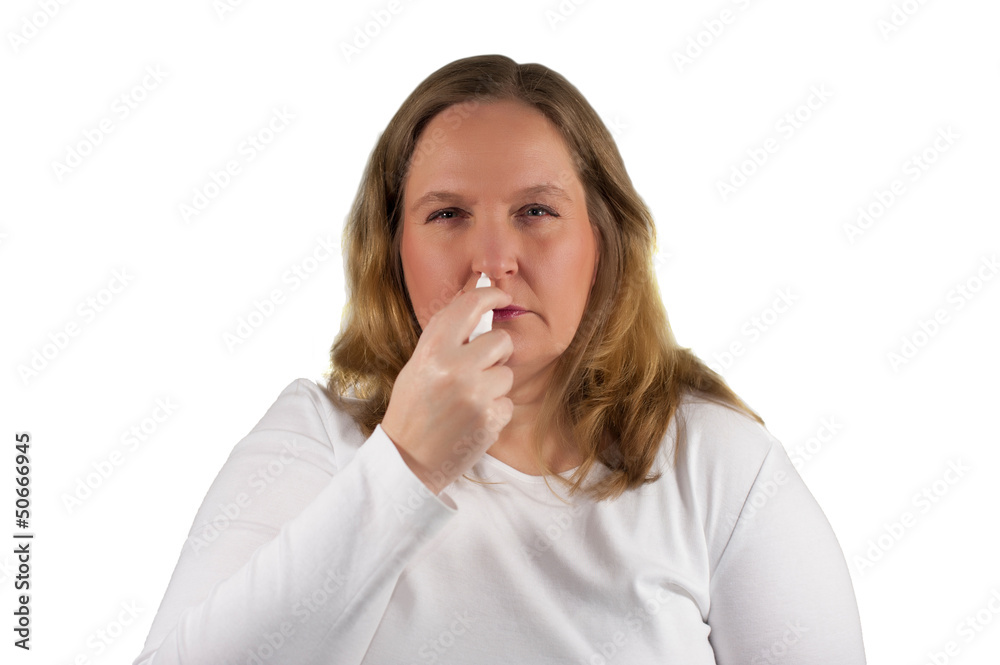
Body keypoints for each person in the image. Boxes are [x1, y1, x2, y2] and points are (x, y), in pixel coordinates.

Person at [132, 54, 867, 664]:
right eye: (447, 214)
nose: (491, 263)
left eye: (536, 211)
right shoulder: (317, 440)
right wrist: (406, 464)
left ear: (603, 241)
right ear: (392, 249)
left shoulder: (717, 463)